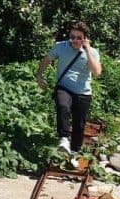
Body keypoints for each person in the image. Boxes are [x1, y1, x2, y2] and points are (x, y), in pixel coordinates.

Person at [35, 21, 102, 156]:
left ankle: (74, 152)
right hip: (64, 86)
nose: (75, 41)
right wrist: (39, 75)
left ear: (85, 38)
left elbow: (97, 72)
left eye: (79, 38)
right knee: (62, 106)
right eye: (72, 37)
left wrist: (87, 49)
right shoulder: (61, 47)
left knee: (79, 123)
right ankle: (64, 138)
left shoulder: (92, 52)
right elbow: (47, 60)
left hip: (83, 92)